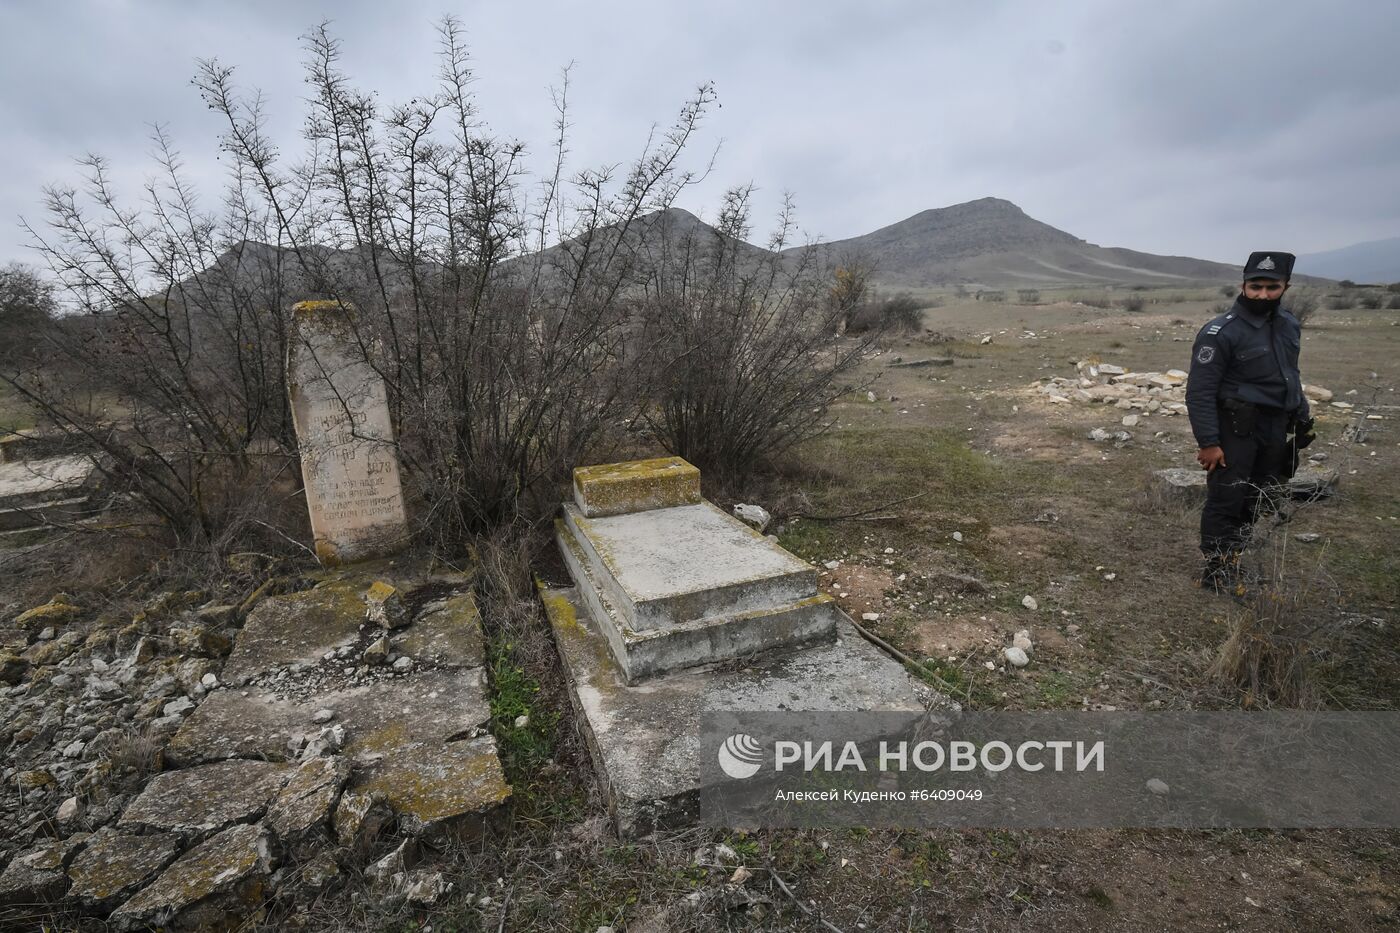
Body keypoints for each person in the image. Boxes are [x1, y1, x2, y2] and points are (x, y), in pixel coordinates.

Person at [1184, 251, 1316, 593]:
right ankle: (1217, 569)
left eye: (1272, 287)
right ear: (1243, 285)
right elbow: (1199, 391)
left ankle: (1235, 558)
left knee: (1259, 496)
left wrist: (1300, 410)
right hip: (1235, 429)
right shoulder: (1220, 333)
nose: (1262, 294)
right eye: (1255, 286)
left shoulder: (1288, 324)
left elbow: (1291, 373)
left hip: (1276, 427)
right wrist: (1209, 443)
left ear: (1285, 285)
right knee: (1227, 498)